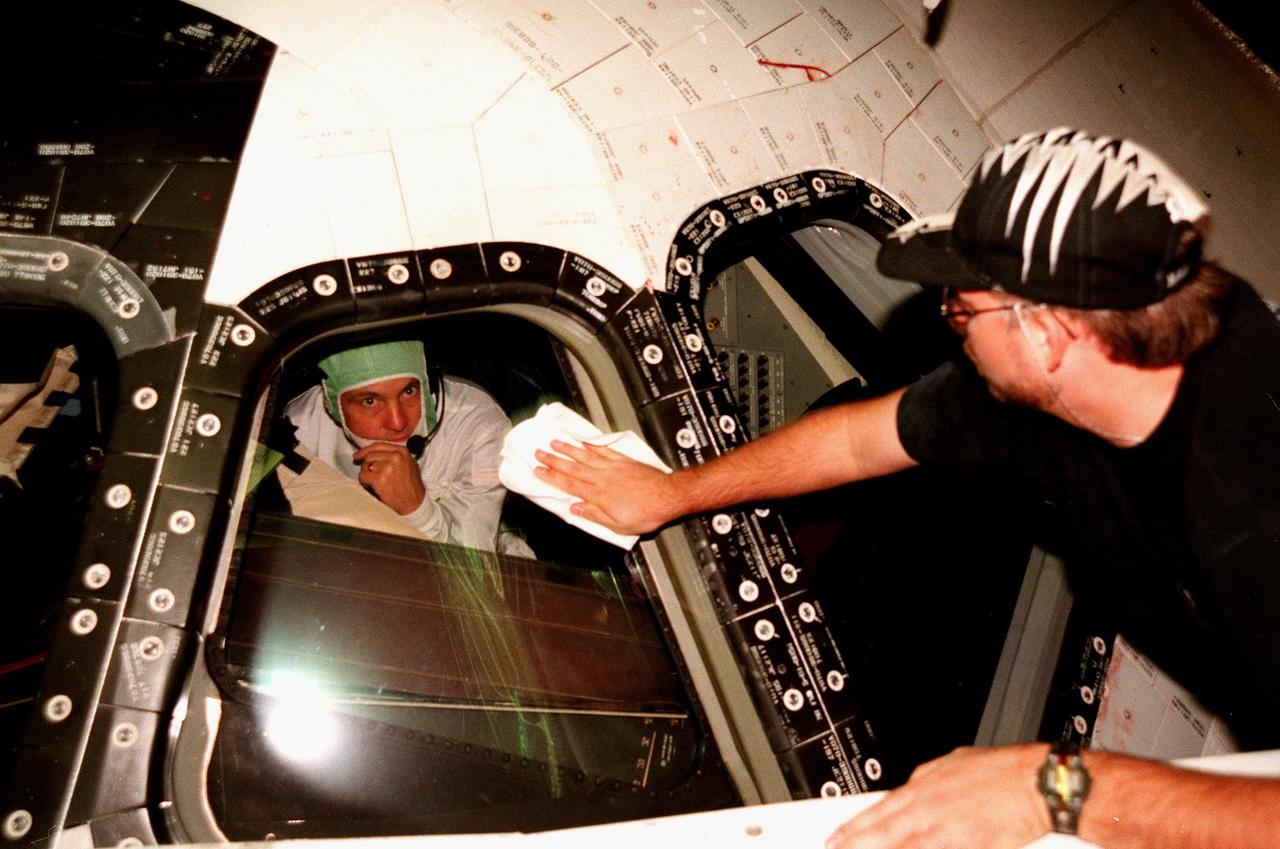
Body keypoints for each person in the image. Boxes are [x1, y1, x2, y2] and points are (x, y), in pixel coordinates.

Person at [531, 128, 1280, 848]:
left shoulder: (1251, 500)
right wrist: (674, 493)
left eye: (960, 308)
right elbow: (863, 438)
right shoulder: (1078, 382)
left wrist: (1050, 787)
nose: (950, 326)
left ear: (1049, 334)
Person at [284, 339, 530, 555]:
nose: (398, 422)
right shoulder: (300, 426)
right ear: (331, 405)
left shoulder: (477, 424)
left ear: (427, 383)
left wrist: (417, 507)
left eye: (409, 391)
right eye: (370, 401)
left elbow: (471, 573)